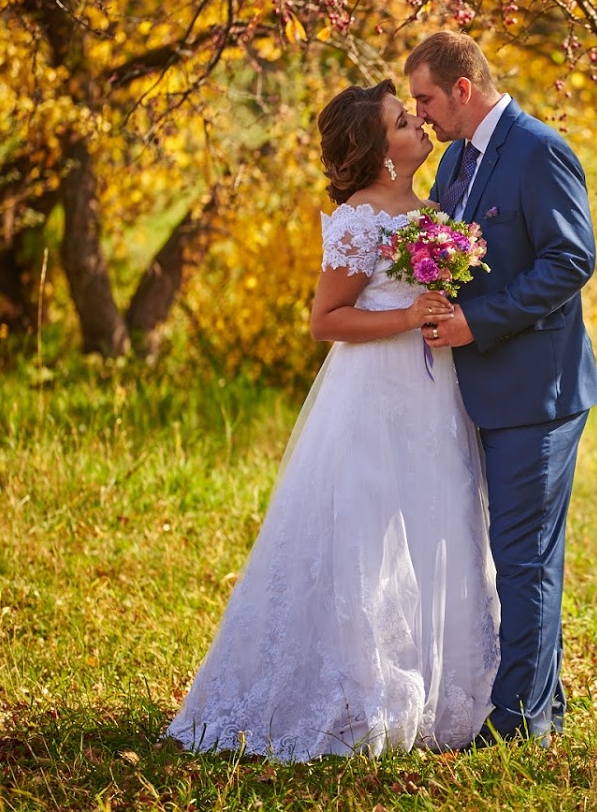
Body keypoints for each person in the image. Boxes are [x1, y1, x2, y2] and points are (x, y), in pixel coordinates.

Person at [165, 79, 500, 759]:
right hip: (374, 394)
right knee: (369, 532)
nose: (418, 124)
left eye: (413, 114)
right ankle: (355, 690)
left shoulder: (430, 208)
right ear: (381, 152)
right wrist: (408, 315)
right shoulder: (358, 219)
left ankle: (445, 690)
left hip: (433, 395)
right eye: (404, 121)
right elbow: (326, 321)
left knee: (438, 518)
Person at [408, 32, 597, 745]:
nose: (419, 114)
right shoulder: (457, 158)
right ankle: (540, 698)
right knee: (508, 556)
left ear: (463, 88)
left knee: (524, 558)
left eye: (426, 98)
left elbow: (570, 259)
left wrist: (475, 322)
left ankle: (523, 724)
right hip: (474, 392)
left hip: (537, 395)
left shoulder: (538, 149)